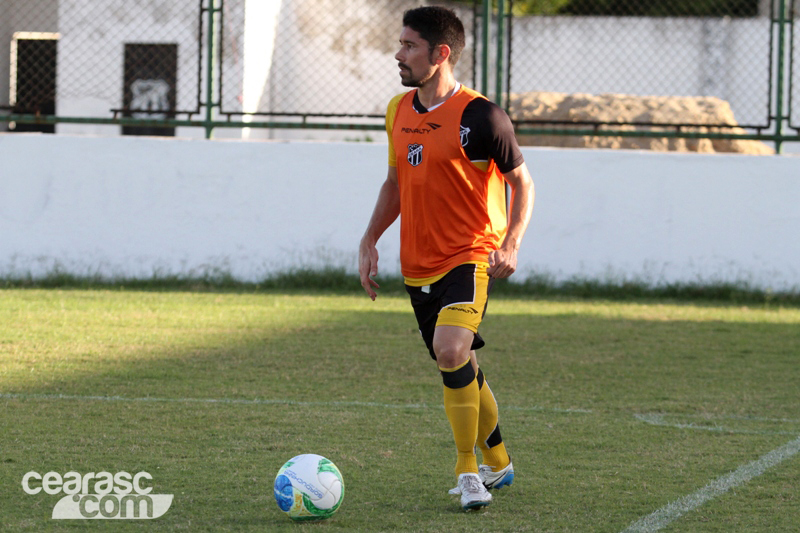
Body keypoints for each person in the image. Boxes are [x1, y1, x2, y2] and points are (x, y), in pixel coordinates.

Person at [358, 5, 534, 511]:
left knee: (451, 351)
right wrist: (370, 239)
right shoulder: (398, 111)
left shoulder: (481, 116)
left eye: (409, 46)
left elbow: (523, 183)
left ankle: (467, 472)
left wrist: (512, 242)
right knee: (461, 362)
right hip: (418, 263)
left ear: (441, 53)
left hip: (472, 255)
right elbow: (396, 184)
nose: (398, 54)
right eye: (400, 44)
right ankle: (498, 462)